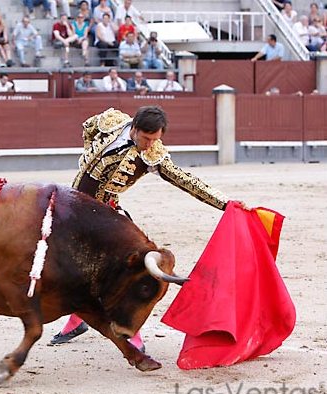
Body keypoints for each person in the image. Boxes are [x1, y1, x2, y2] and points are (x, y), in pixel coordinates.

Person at [49, 106, 243, 348]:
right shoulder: (111, 121)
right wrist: (88, 155)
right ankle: (78, 320)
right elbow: (88, 128)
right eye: (146, 138)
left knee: (118, 269)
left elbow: (185, 180)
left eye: (155, 139)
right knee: (73, 268)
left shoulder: (153, 156)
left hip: (105, 214)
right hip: (74, 206)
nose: (150, 144)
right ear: (134, 129)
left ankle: (131, 331)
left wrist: (225, 203)